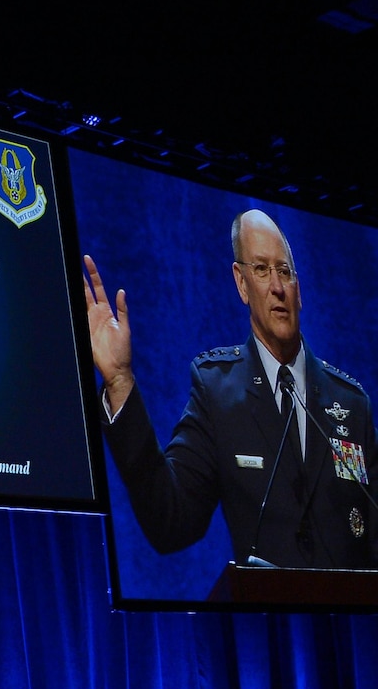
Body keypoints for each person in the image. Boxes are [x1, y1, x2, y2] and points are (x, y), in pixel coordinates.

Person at [85, 209, 375, 569]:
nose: (277, 287)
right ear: (241, 284)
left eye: (284, 271)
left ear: (299, 289)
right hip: (269, 621)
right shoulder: (219, 392)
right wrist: (119, 380)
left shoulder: (351, 402)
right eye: (262, 270)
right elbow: (170, 522)